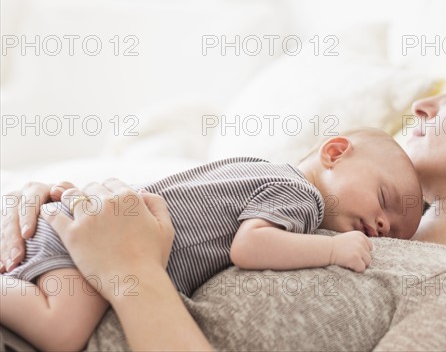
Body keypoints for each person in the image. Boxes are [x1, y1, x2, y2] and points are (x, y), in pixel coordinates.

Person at [1, 32, 446, 351]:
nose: (424, 104)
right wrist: (62, 214)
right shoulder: (324, 216)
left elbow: (139, 270)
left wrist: (130, 274)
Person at [0, 128, 423, 351]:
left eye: (398, 232)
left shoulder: (257, 167)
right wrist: (333, 248)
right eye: (385, 200)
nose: (385, 226)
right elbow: (250, 246)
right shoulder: (303, 197)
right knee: (62, 332)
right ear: (334, 153)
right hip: (83, 243)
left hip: (80, 228)